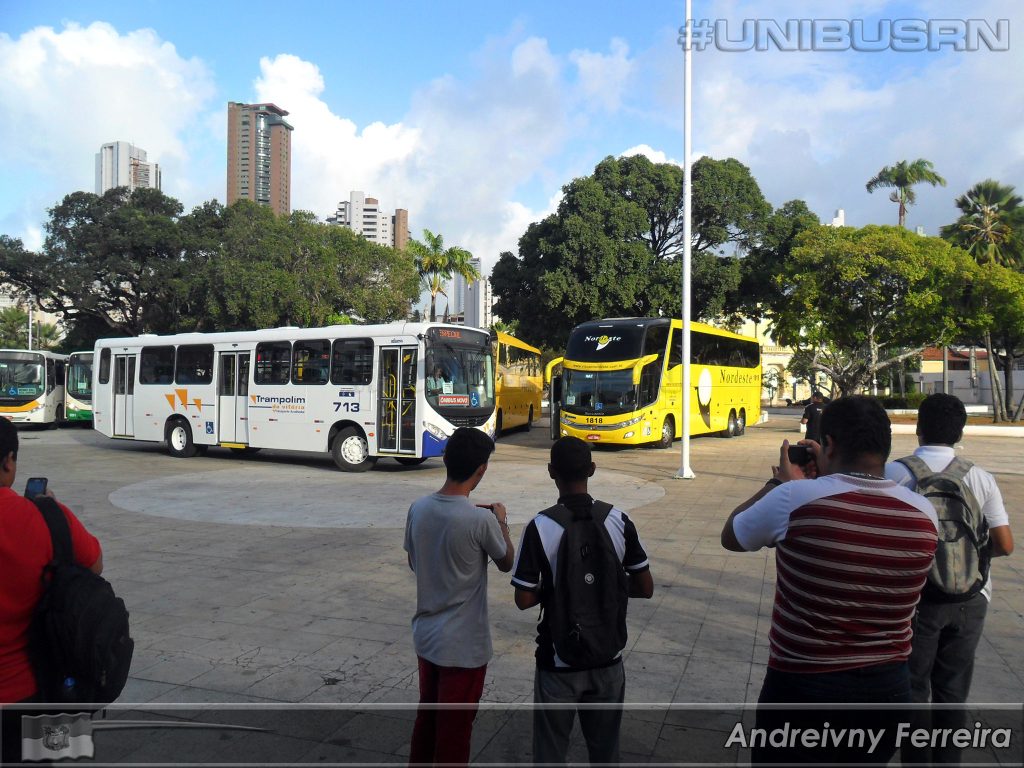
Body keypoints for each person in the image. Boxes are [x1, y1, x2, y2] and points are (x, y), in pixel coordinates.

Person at [721, 396, 938, 765]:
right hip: (888, 688)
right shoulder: (924, 514)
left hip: (804, 685)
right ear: (885, 446)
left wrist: (779, 481)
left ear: (831, 444)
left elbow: (732, 536)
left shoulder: (795, 497)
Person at [885, 393, 1014, 765]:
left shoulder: (896, 474)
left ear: (918, 428)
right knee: (953, 692)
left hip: (917, 600)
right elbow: (1005, 545)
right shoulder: (981, 477)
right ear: (961, 431)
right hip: (971, 600)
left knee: (914, 688)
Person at [511, 436, 653, 764]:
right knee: (605, 752)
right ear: (592, 468)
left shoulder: (540, 526)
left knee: (550, 752)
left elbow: (523, 598)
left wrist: (562, 590)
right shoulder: (618, 520)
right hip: (608, 656)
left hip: (558, 660)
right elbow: (645, 587)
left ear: (551, 472)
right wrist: (607, 587)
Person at [403, 427, 514, 766]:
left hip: (427, 638)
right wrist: (502, 523)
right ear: (481, 470)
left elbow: (413, 561)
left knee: (428, 719)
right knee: (455, 732)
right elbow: (507, 562)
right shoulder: (480, 520)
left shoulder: (418, 508)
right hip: (463, 648)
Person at [0, 418, 103, 764]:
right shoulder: (48, 517)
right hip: (37, 693)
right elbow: (94, 566)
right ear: (9, 461)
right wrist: (50, 513)